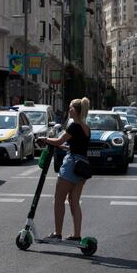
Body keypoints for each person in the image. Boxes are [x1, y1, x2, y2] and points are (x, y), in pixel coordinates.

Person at [37, 97, 91, 242]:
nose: (69, 110)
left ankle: (57, 233)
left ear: (77, 110)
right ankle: (77, 235)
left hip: (71, 165)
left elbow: (59, 140)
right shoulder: (86, 128)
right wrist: (63, 147)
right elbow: (77, 147)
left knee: (59, 199)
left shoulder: (74, 126)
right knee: (74, 201)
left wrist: (45, 139)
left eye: (71, 108)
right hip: (82, 167)